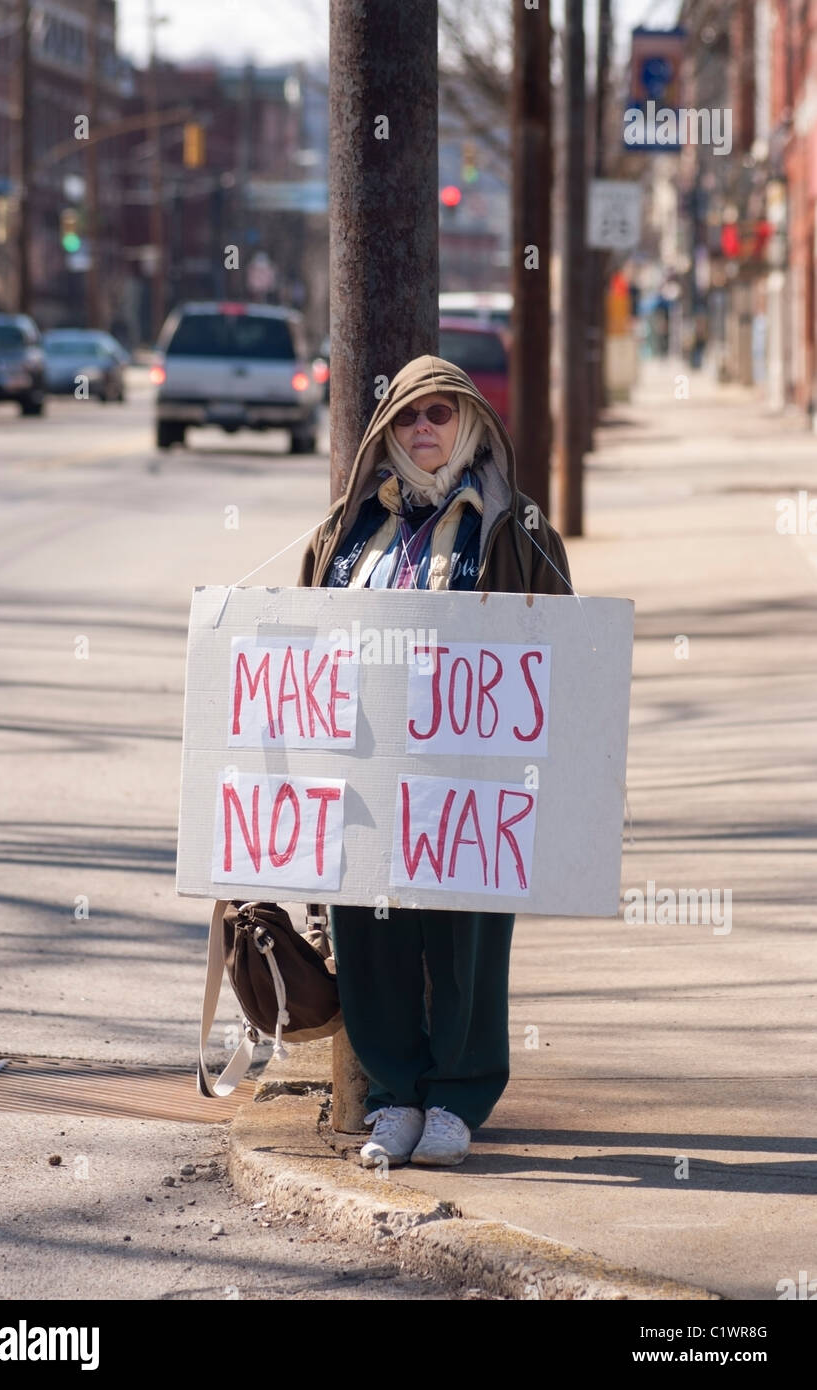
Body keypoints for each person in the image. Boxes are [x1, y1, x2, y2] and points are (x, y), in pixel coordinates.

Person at [296, 354, 572, 1167]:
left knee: (466, 941)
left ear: (472, 426)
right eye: (409, 418)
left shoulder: (515, 529)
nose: (424, 431)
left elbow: (557, 652)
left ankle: (457, 1095)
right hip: (369, 776)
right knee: (370, 933)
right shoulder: (343, 532)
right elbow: (303, 650)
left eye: (441, 415)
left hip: (471, 788)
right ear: (387, 431)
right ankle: (392, 1098)